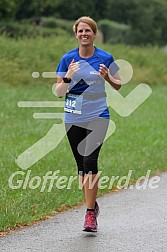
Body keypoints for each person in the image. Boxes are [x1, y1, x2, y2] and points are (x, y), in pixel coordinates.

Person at [55, 16, 121, 232]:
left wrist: (108, 77)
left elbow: (119, 84)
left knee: (90, 161)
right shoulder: (67, 59)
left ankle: (90, 214)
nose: (84, 34)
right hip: (73, 117)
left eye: (88, 31)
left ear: (94, 33)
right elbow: (58, 93)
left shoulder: (105, 57)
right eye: (80, 31)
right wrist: (68, 77)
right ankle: (92, 205)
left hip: (98, 116)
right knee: (81, 168)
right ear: (76, 34)